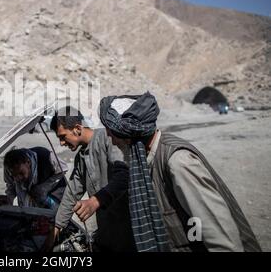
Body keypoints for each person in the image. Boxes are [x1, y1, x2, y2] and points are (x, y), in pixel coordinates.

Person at [97, 91, 262, 252]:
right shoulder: (145, 162)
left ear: (128, 134)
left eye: (112, 134)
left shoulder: (177, 162)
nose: (111, 140)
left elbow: (224, 243)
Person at [46, 106, 135, 251]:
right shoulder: (81, 159)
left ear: (77, 128)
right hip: (108, 231)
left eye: (62, 136)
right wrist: (56, 227)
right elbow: (71, 194)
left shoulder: (108, 138)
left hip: (130, 226)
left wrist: (95, 200)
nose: (62, 143)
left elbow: (124, 175)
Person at [0, 146, 68, 210]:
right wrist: (9, 199)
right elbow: (11, 185)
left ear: (28, 162)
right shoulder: (9, 168)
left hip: (53, 195)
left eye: (21, 173)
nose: (18, 178)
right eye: (14, 175)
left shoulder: (45, 156)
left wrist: (44, 187)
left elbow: (63, 169)